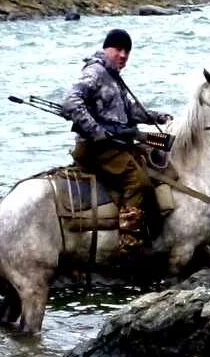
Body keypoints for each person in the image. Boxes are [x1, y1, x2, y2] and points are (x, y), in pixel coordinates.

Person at [61, 28, 173, 247]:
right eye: (118, 49)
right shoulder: (96, 72)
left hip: (119, 141)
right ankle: (129, 243)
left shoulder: (113, 76)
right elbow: (71, 101)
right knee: (138, 181)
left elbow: (129, 111)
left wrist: (157, 117)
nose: (123, 55)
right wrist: (96, 132)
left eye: (127, 51)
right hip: (98, 147)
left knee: (162, 146)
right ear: (106, 49)